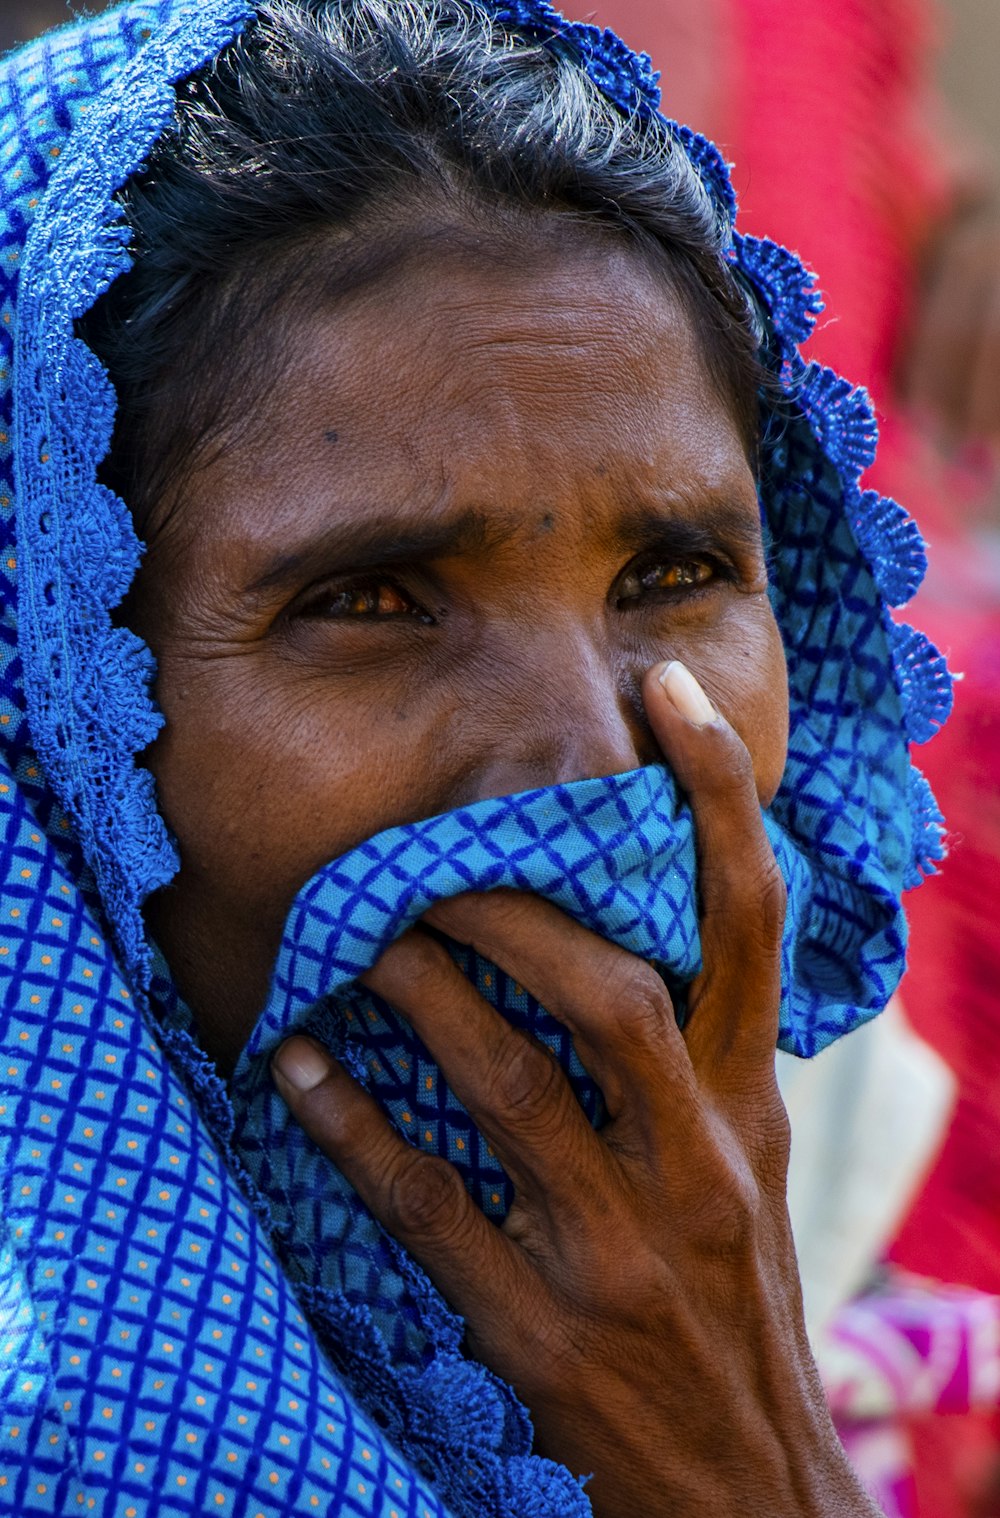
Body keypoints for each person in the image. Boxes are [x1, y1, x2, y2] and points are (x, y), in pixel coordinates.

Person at [0, 1, 952, 1514]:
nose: (587, 751)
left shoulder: (849, 1245)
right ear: (53, 705)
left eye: (673, 574)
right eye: (368, 601)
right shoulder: (85, 1445)